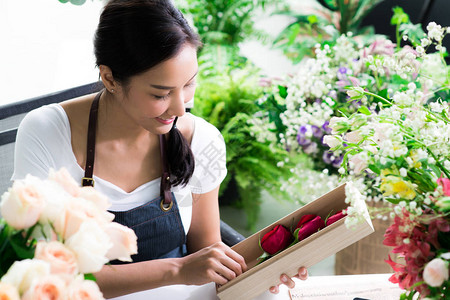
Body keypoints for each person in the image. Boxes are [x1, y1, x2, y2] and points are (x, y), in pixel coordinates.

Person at [12, 0, 307, 298]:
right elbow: (45, 271)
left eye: (189, 85)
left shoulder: (201, 139)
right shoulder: (47, 132)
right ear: (109, 78)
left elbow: (207, 252)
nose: (181, 107)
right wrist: (177, 270)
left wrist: (270, 266)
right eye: (161, 93)